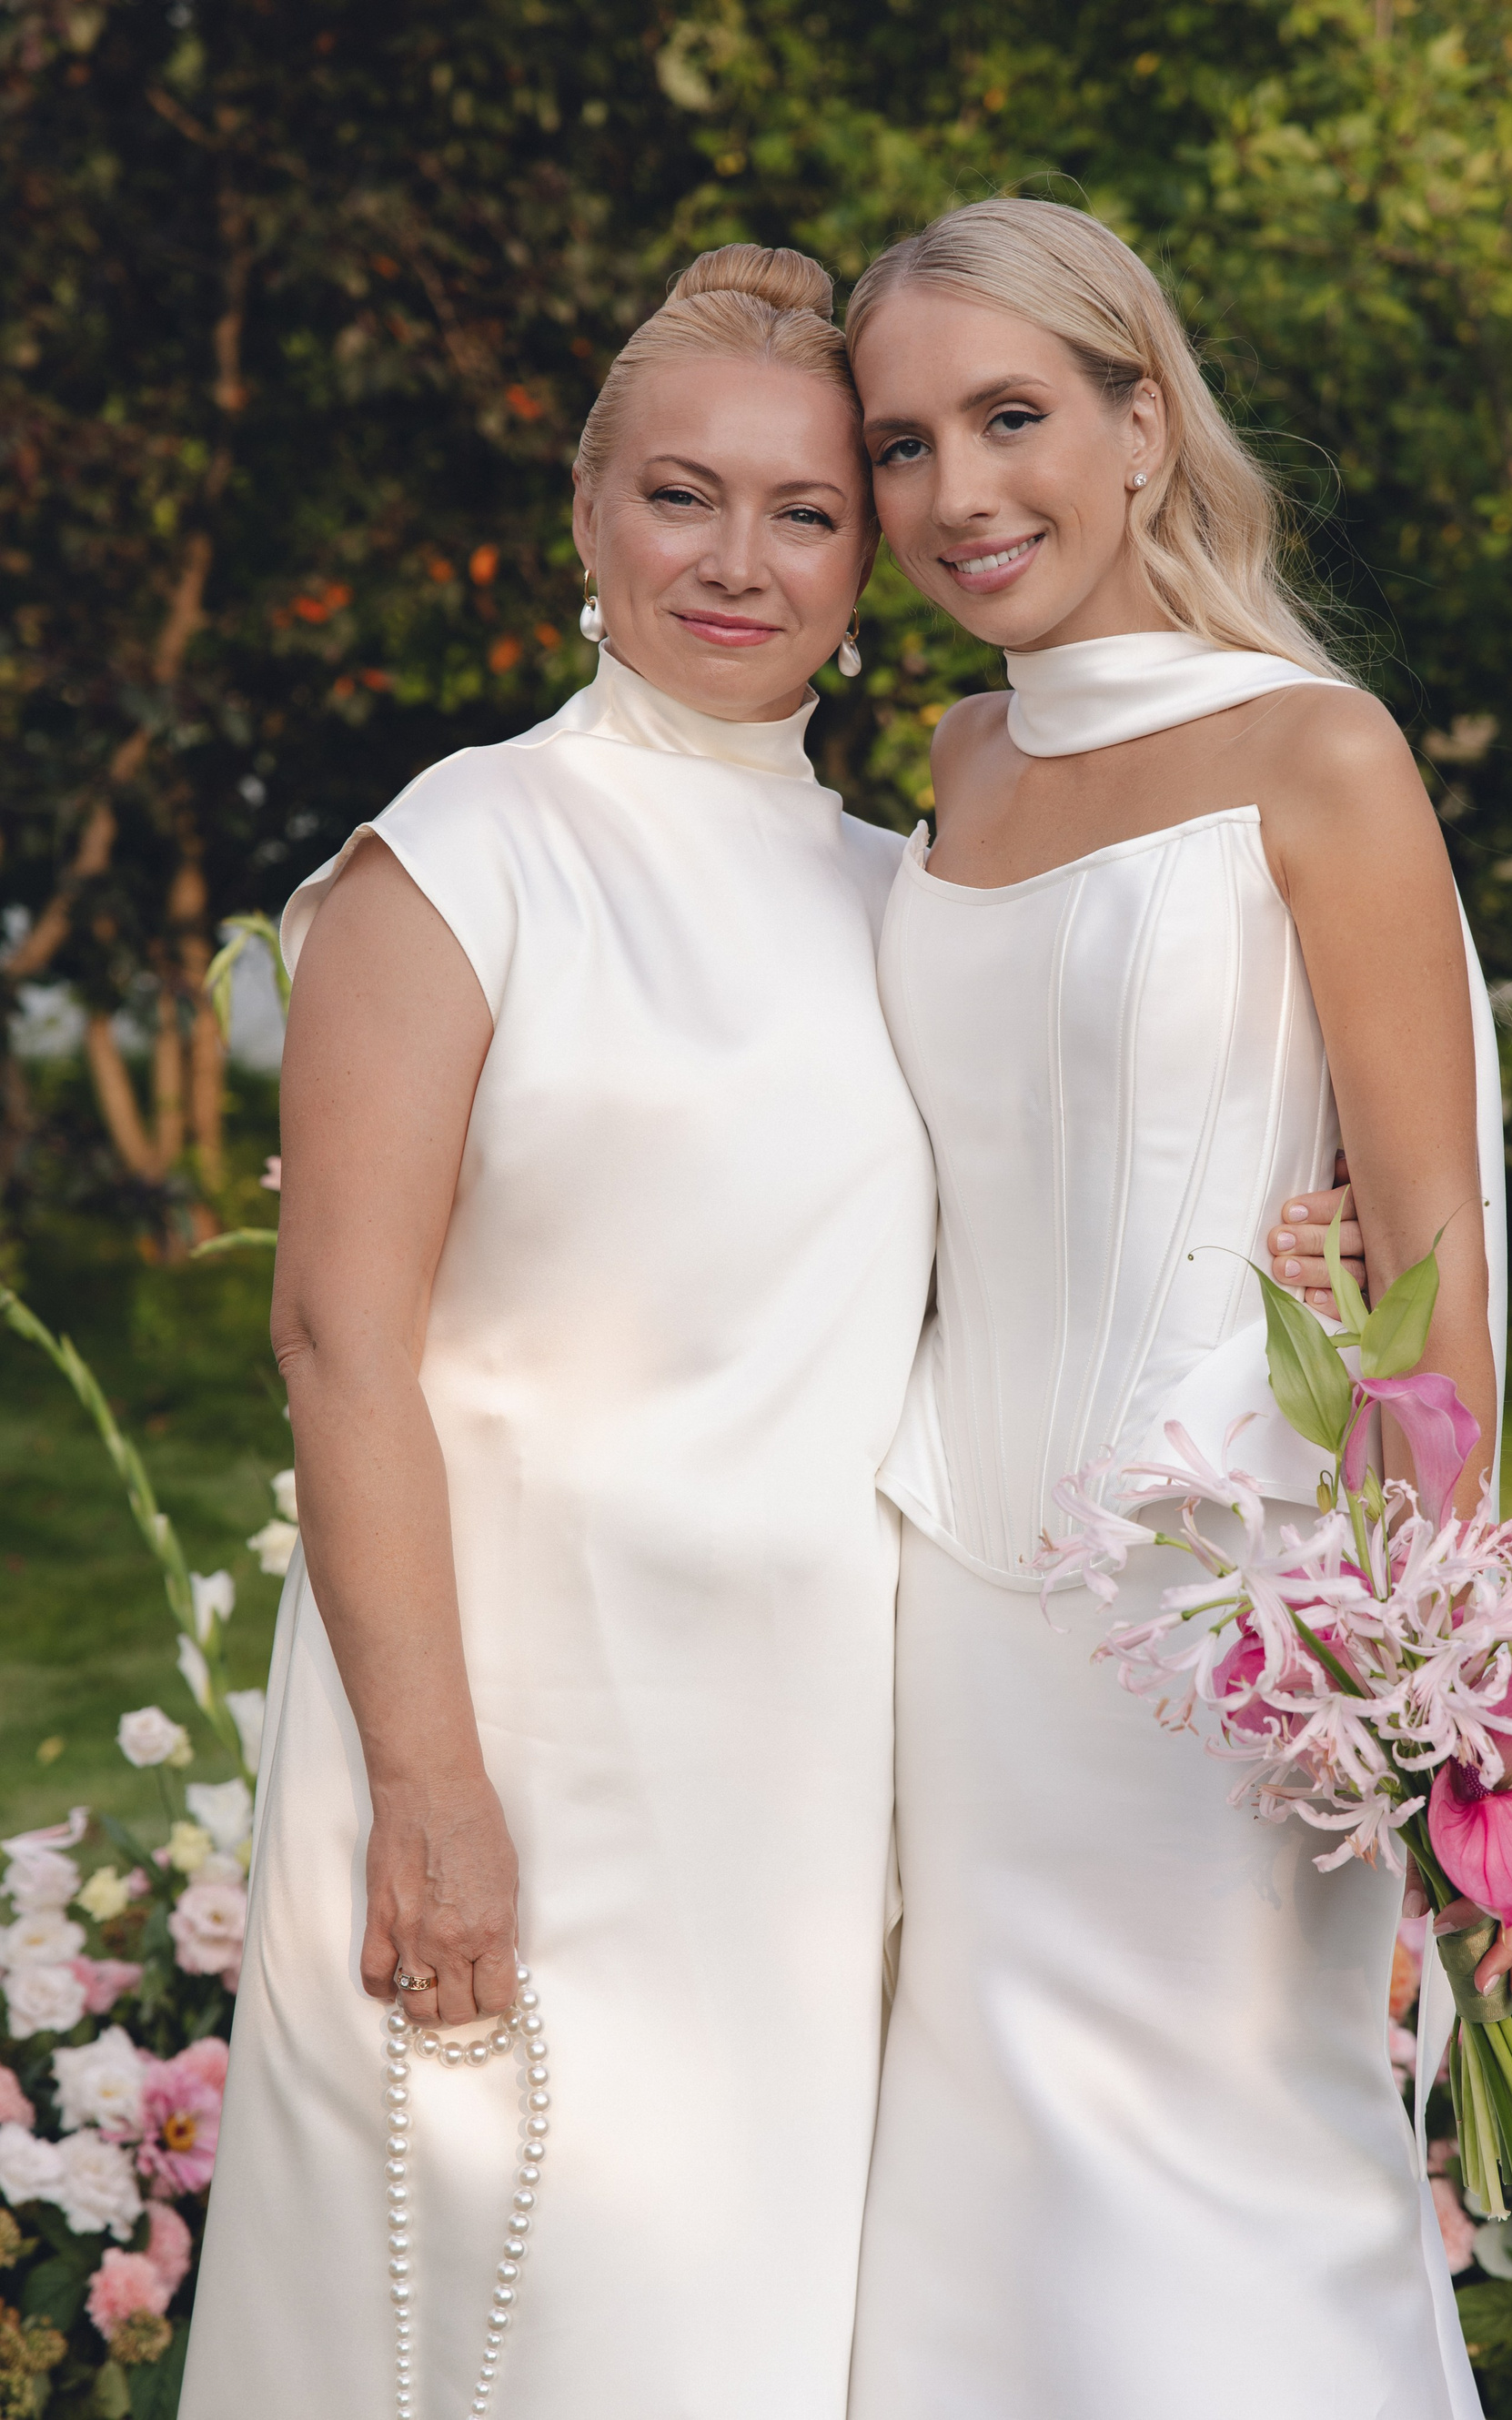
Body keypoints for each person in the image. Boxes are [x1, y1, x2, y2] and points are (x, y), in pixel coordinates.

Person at [179, 245, 940, 2420]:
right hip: (506, 1736)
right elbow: (337, 1341)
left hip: (804, 1783)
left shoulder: (912, 891)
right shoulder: (464, 850)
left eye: (804, 510)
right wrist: (432, 1794)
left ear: (868, 556)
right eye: (681, 494)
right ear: (588, 511)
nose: (738, 559)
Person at [841, 197, 1512, 2420]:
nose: (958, 492)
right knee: (980, 2189)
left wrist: (1427, 1691)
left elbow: (1430, 1262)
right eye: (905, 444)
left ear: (1142, 422)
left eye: (1010, 417)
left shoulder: (1319, 753)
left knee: (1235, 2171)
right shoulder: (957, 765)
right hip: (950, 1609)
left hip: (1229, 1616)